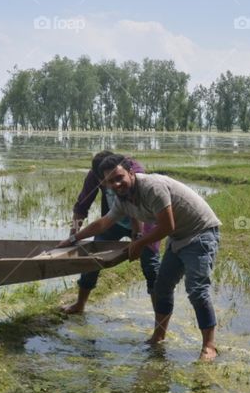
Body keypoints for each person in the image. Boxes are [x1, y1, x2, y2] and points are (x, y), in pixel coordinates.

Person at [59, 154, 222, 361]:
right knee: (162, 287)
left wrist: (139, 242)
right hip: (177, 237)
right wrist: (73, 238)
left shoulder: (152, 187)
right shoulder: (122, 199)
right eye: (111, 181)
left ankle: (209, 346)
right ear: (105, 183)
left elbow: (166, 226)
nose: (117, 184)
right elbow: (103, 223)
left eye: (120, 177)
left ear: (131, 172)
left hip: (200, 233)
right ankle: (159, 335)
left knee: (196, 289)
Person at [60, 151, 161, 314]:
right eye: (104, 181)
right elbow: (82, 206)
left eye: (110, 179)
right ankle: (80, 304)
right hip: (114, 220)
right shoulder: (95, 174)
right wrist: (73, 237)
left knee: (151, 266)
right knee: (91, 259)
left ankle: (160, 318)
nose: (109, 184)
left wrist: (138, 240)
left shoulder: (132, 171)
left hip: (144, 221)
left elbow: (137, 206)